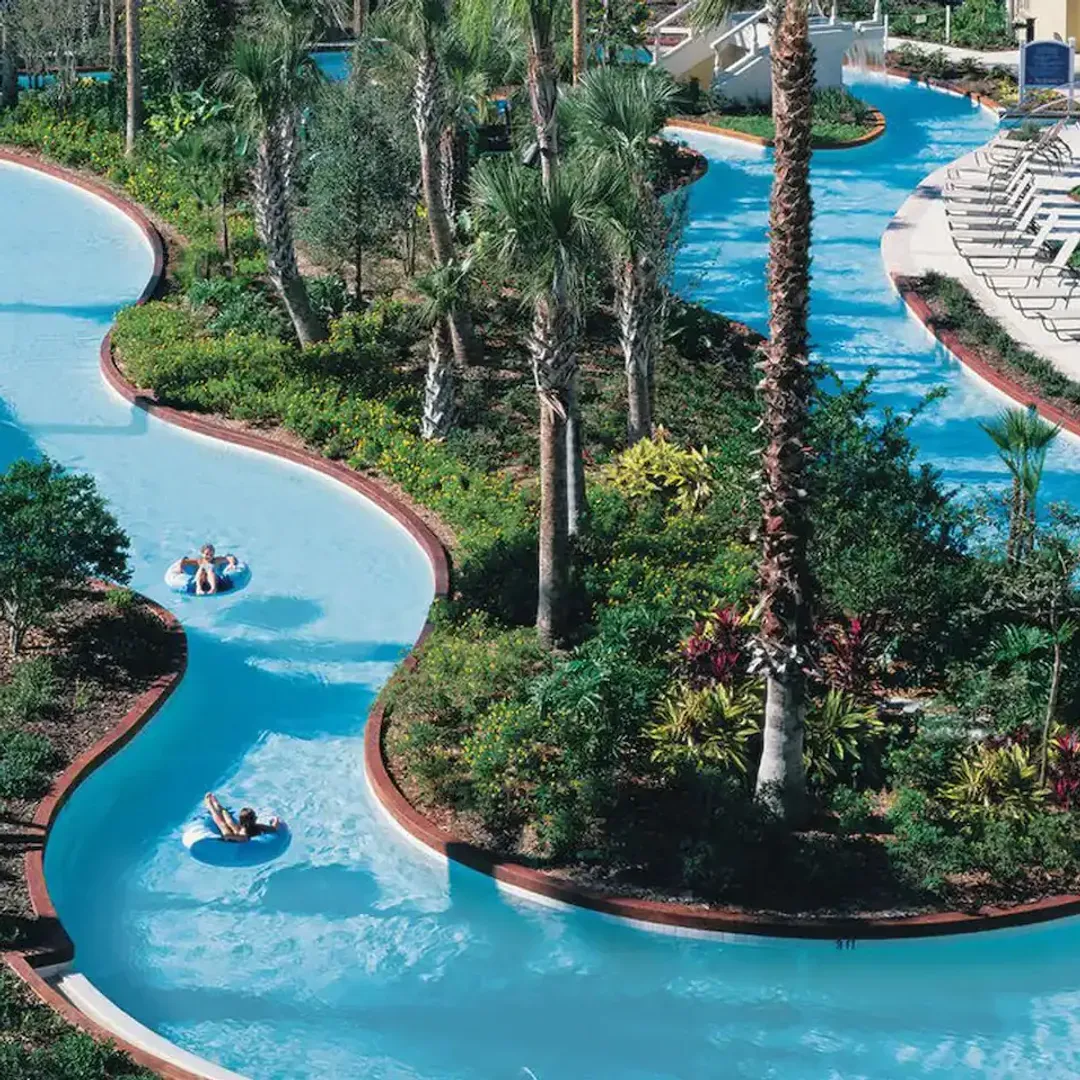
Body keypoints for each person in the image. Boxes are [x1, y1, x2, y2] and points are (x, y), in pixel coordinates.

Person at [204, 792, 279, 842]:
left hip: (238, 833)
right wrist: (276, 820)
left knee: (230, 823)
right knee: (223, 824)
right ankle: (211, 806)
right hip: (237, 835)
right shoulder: (249, 832)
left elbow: (273, 829)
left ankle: (218, 805)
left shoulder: (256, 827)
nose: (256, 817)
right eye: (255, 816)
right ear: (254, 819)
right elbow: (273, 828)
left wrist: (275, 819)